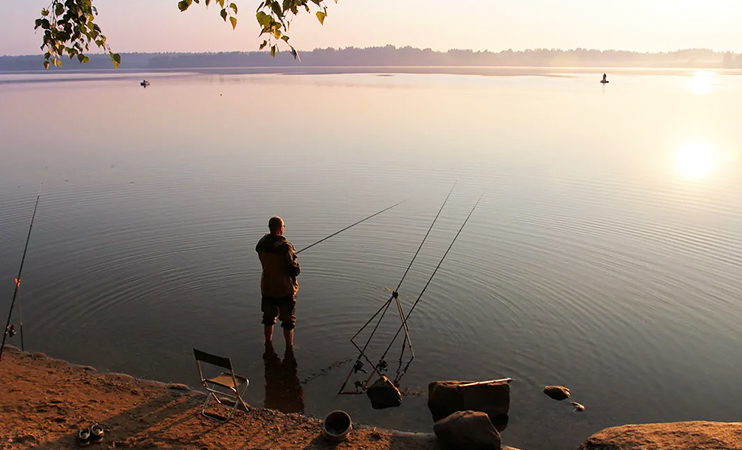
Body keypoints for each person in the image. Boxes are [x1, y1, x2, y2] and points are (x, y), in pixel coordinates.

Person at [256, 216, 300, 349]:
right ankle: (289, 347)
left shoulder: (261, 244)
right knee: (288, 321)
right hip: (284, 289)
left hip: (267, 287)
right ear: (280, 228)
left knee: (268, 319)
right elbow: (293, 270)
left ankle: (268, 343)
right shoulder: (286, 248)